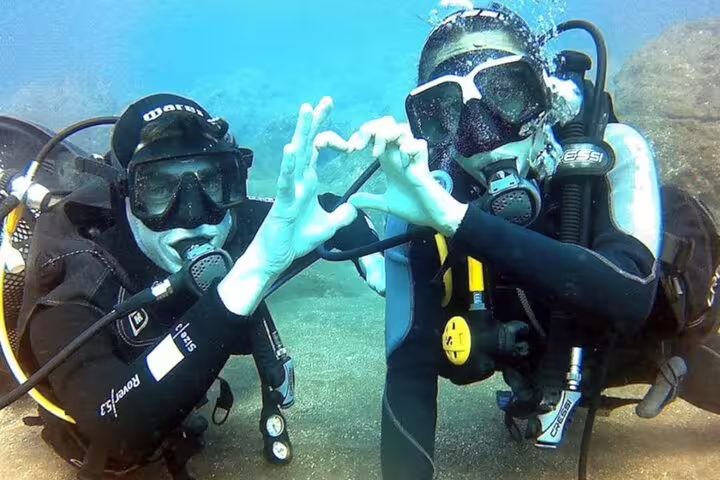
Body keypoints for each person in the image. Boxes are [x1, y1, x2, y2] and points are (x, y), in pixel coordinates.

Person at [335, 4, 720, 479]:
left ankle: (673, 362)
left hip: (640, 342)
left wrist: (460, 222)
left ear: (545, 94)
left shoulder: (611, 150)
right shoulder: (424, 203)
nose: (483, 135)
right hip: (537, 361)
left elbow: (630, 295)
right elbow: (409, 368)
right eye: (450, 111)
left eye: (507, 93)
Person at [13, 93, 383, 479]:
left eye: (211, 180)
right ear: (123, 192)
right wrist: (248, 278)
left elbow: (328, 211)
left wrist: (380, 258)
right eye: (158, 189)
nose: (193, 216)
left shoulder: (225, 219)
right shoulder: (73, 268)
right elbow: (118, 427)